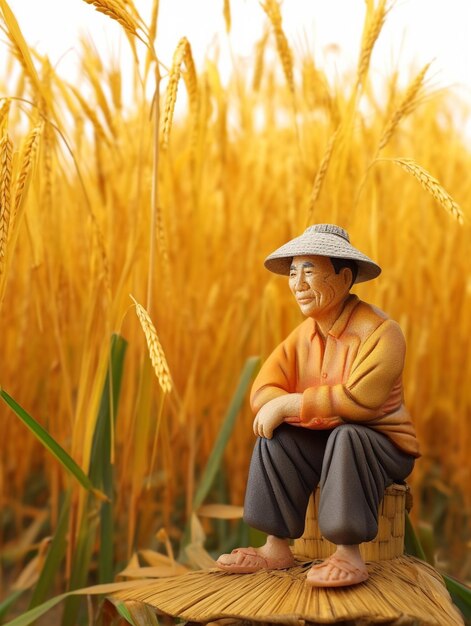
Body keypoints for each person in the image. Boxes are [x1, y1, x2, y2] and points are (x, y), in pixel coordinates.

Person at [216, 224, 420, 587]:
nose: (297, 283)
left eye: (309, 270)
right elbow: (265, 388)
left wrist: (292, 403)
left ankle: (348, 554)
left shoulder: (381, 333)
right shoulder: (303, 336)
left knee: (348, 436)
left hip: (381, 443)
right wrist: (281, 408)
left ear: (343, 279)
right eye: (293, 272)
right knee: (276, 439)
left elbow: (360, 400)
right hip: (326, 436)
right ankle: (275, 546)